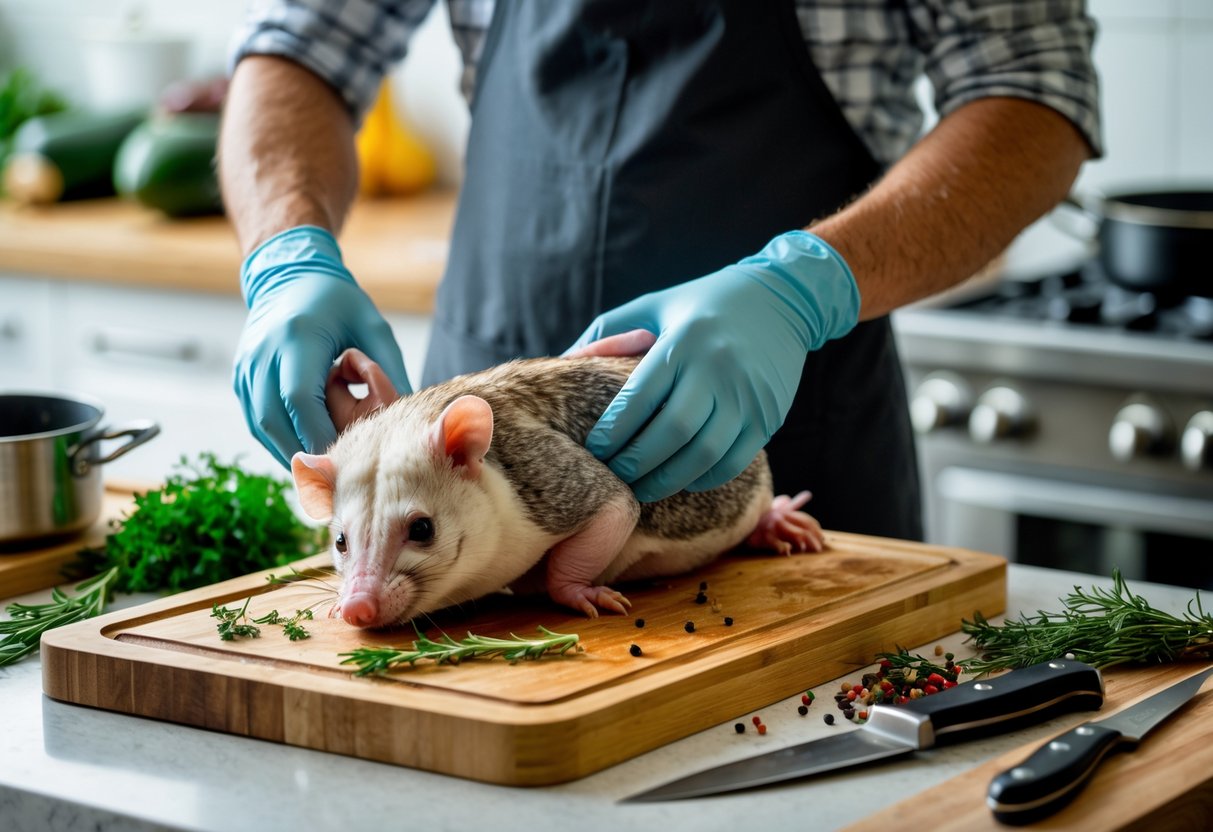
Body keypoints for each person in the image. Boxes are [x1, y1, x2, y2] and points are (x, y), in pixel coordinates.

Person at [220, 0, 1100, 541]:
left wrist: (805, 288)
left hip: (793, 436)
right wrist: (285, 257)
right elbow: (300, 45)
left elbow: (1031, 90)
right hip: (470, 448)